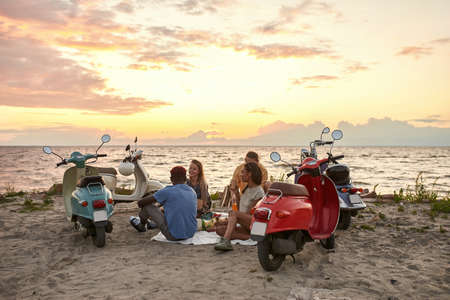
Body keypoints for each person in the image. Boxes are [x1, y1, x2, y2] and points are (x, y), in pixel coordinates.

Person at [129, 166, 197, 241]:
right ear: (185, 178)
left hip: (173, 236)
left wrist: (155, 195)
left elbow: (140, 203)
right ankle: (146, 223)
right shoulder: (192, 191)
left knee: (147, 206)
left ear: (171, 179)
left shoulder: (167, 191)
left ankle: (142, 225)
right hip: (191, 233)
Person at [215, 162, 265, 251]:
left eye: (242, 172)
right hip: (247, 226)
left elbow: (249, 213)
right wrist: (234, 191)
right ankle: (250, 237)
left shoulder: (259, 192)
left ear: (249, 174)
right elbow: (237, 210)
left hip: (256, 226)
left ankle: (226, 241)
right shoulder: (247, 189)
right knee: (219, 229)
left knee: (232, 215)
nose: (240, 175)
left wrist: (233, 217)